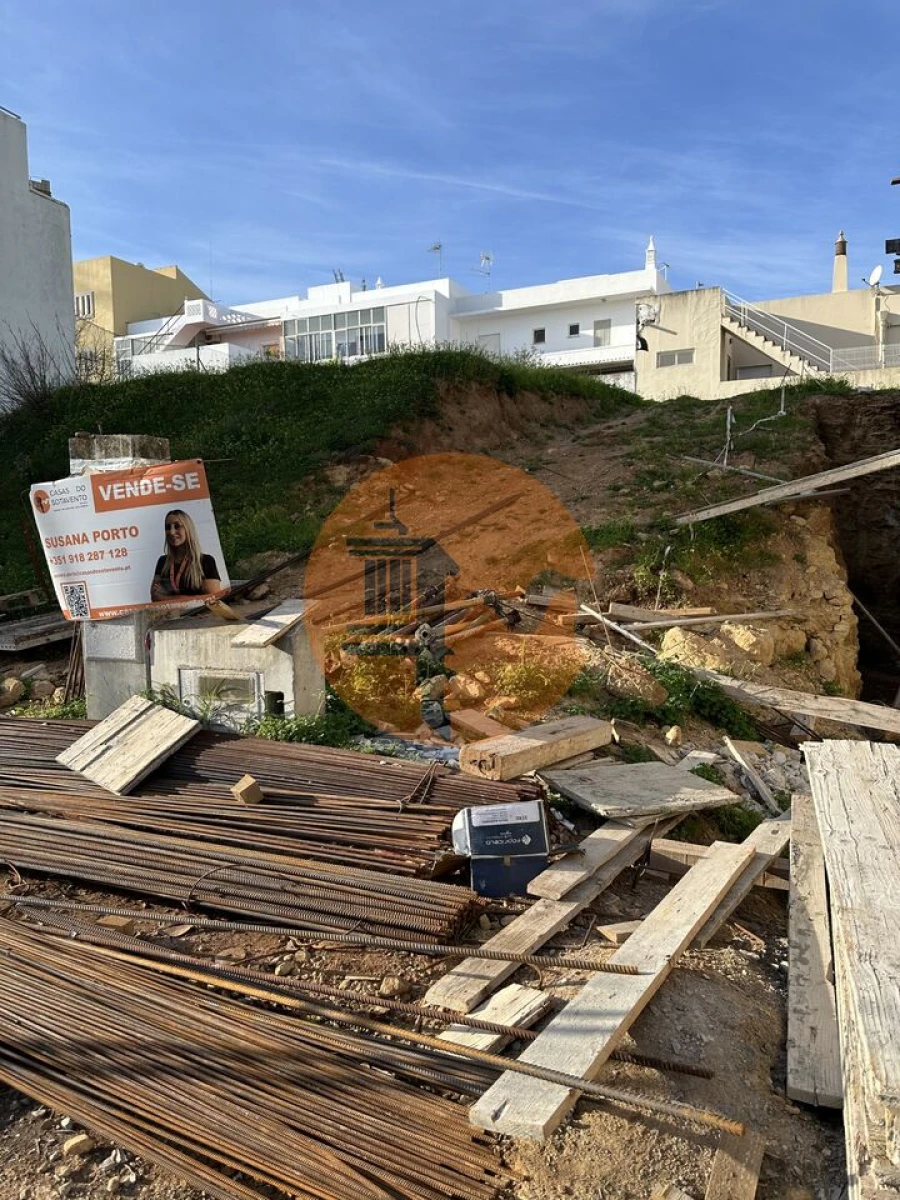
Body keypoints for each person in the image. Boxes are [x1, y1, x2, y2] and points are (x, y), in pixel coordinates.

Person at [150, 509, 222, 600]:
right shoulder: (163, 562)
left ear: (188, 529)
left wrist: (166, 598)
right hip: (171, 614)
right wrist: (196, 598)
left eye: (177, 526)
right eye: (168, 527)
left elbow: (213, 598)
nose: (171, 532)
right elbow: (155, 597)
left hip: (201, 614)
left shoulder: (206, 561)